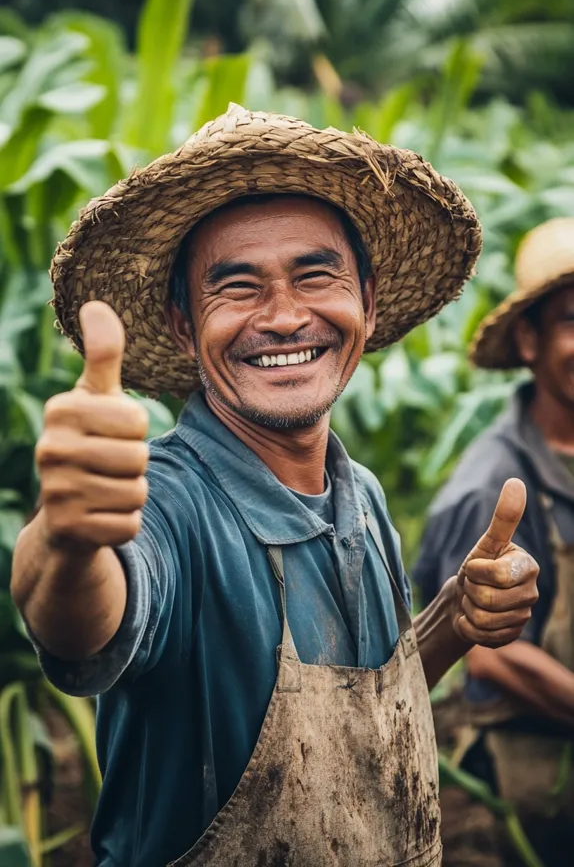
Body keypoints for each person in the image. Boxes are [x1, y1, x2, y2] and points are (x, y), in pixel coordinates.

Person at [11, 105, 538, 867]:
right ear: (185, 326)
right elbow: (78, 620)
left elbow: (368, 719)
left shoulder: (361, 494)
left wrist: (455, 616)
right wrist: (63, 537)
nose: (286, 316)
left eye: (315, 274)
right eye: (237, 288)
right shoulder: (170, 502)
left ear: (368, 300)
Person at [414, 217, 574, 866]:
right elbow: (489, 654)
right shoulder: (491, 487)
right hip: (524, 791)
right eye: (571, 320)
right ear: (530, 341)